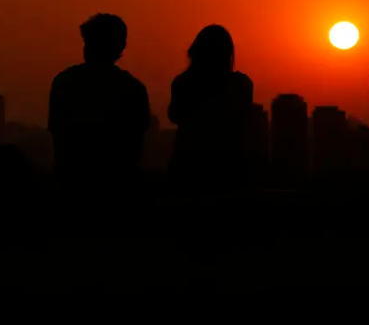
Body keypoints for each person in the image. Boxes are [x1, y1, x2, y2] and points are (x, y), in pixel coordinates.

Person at [48, 14, 150, 192]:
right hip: (116, 184)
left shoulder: (64, 82)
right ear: (121, 46)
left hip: (72, 182)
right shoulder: (132, 89)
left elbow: (56, 131)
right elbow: (136, 144)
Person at [168, 25, 253, 191]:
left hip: (188, 168)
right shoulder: (241, 85)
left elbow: (175, 115)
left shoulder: (182, 84)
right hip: (228, 169)